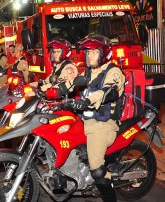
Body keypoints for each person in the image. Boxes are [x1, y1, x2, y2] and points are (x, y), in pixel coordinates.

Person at [57, 34, 125, 202]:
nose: (89, 56)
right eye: (88, 53)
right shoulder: (89, 72)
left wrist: (86, 101)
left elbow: (107, 91)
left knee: (97, 170)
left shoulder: (113, 71)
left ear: (104, 53)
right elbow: (70, 83)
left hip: (103, 124)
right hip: (85, 120)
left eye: (94, 52)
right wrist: (48, 92)